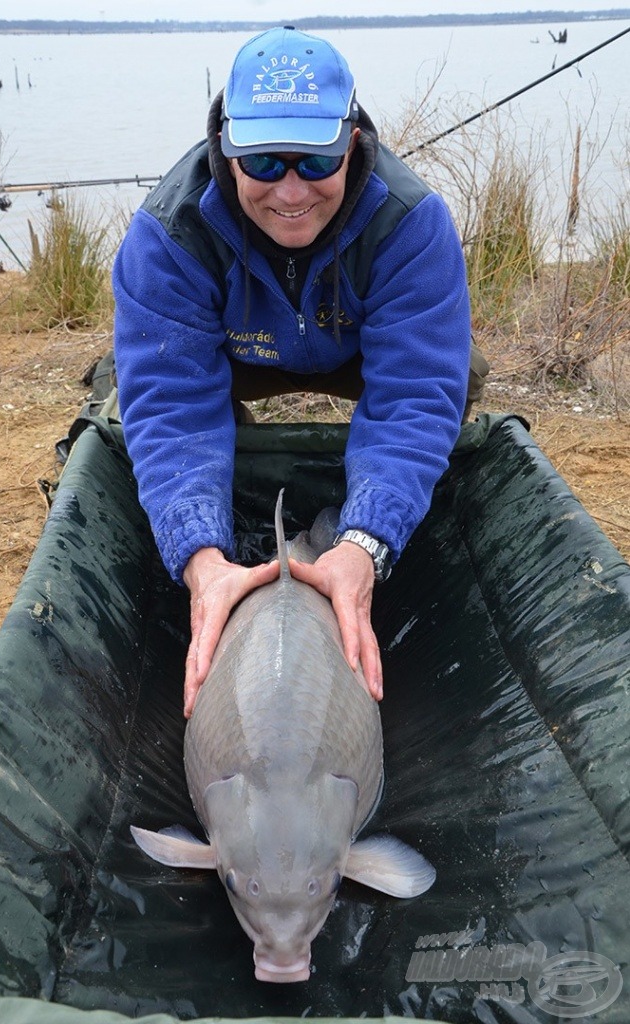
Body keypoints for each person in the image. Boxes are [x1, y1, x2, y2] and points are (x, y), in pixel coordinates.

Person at [113, 25, 487, 718]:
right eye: (263, 163)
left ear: (350, 143)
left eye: (314, 163)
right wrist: (202, 559)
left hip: (354, 347)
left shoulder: (411, 223)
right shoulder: (168, 235)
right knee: (136, 405)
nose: (290, 192)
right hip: (234, 350)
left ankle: (370, 532)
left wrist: (364, 544)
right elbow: (169, 404)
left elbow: (412, 394)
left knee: (455, 382)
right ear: (226, 148)